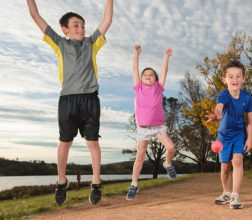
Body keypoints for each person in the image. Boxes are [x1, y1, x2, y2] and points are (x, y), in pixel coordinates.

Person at [27, 0, 113, 205]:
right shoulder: (60, 43)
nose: (81, 28)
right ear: (65, 29)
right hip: (67, 100)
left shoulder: (92, 43)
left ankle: (95, 182)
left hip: (90, 98)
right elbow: (35, 16)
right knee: (65, 142)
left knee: (93, 142)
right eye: (76, 25)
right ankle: (61, 181)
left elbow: (107, 20)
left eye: (83, 25)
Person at [126, 45, 177, 200]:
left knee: (171, 147)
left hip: (158, 127)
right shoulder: (138, 87)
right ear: (141, 78)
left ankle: (167, 164)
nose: (148, 76)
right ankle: (134, 185)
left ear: (155, 79)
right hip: (142, 129)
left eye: (151, 75)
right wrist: (136, 54)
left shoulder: (158, 88)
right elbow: (135, 70)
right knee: (140, 156)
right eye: (145, 74)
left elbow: (164, 72)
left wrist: (166, 58)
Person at [205, 60, 252, 209]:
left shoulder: (246, 97)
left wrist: (250, 138)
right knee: (225, 167)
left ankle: (235, 195)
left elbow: (250, 121)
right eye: (231, 77)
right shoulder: (223, 95)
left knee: (238, 160)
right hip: (223, 136)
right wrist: (216, 114)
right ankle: (226, 192)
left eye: (238, 76)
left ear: (244, 78)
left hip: (239, 134)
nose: (235, 80)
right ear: (224, 80)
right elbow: (219, 108)